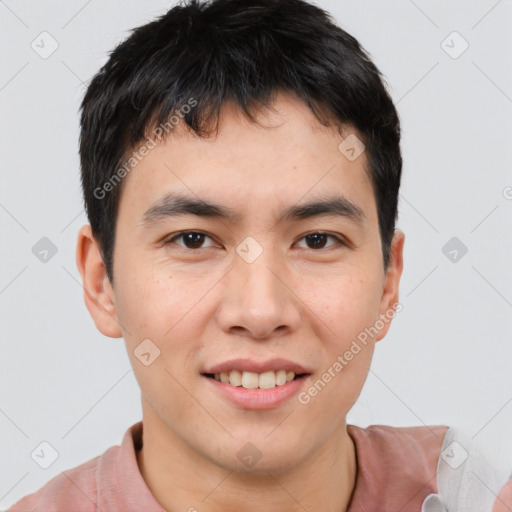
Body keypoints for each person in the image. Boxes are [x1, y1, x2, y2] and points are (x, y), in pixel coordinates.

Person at [7, 0, 511, 510]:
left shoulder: (471, 493)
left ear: (388, 281)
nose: (260, 311)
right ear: (101, 281)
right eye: (192, 240)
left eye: (317, 240)